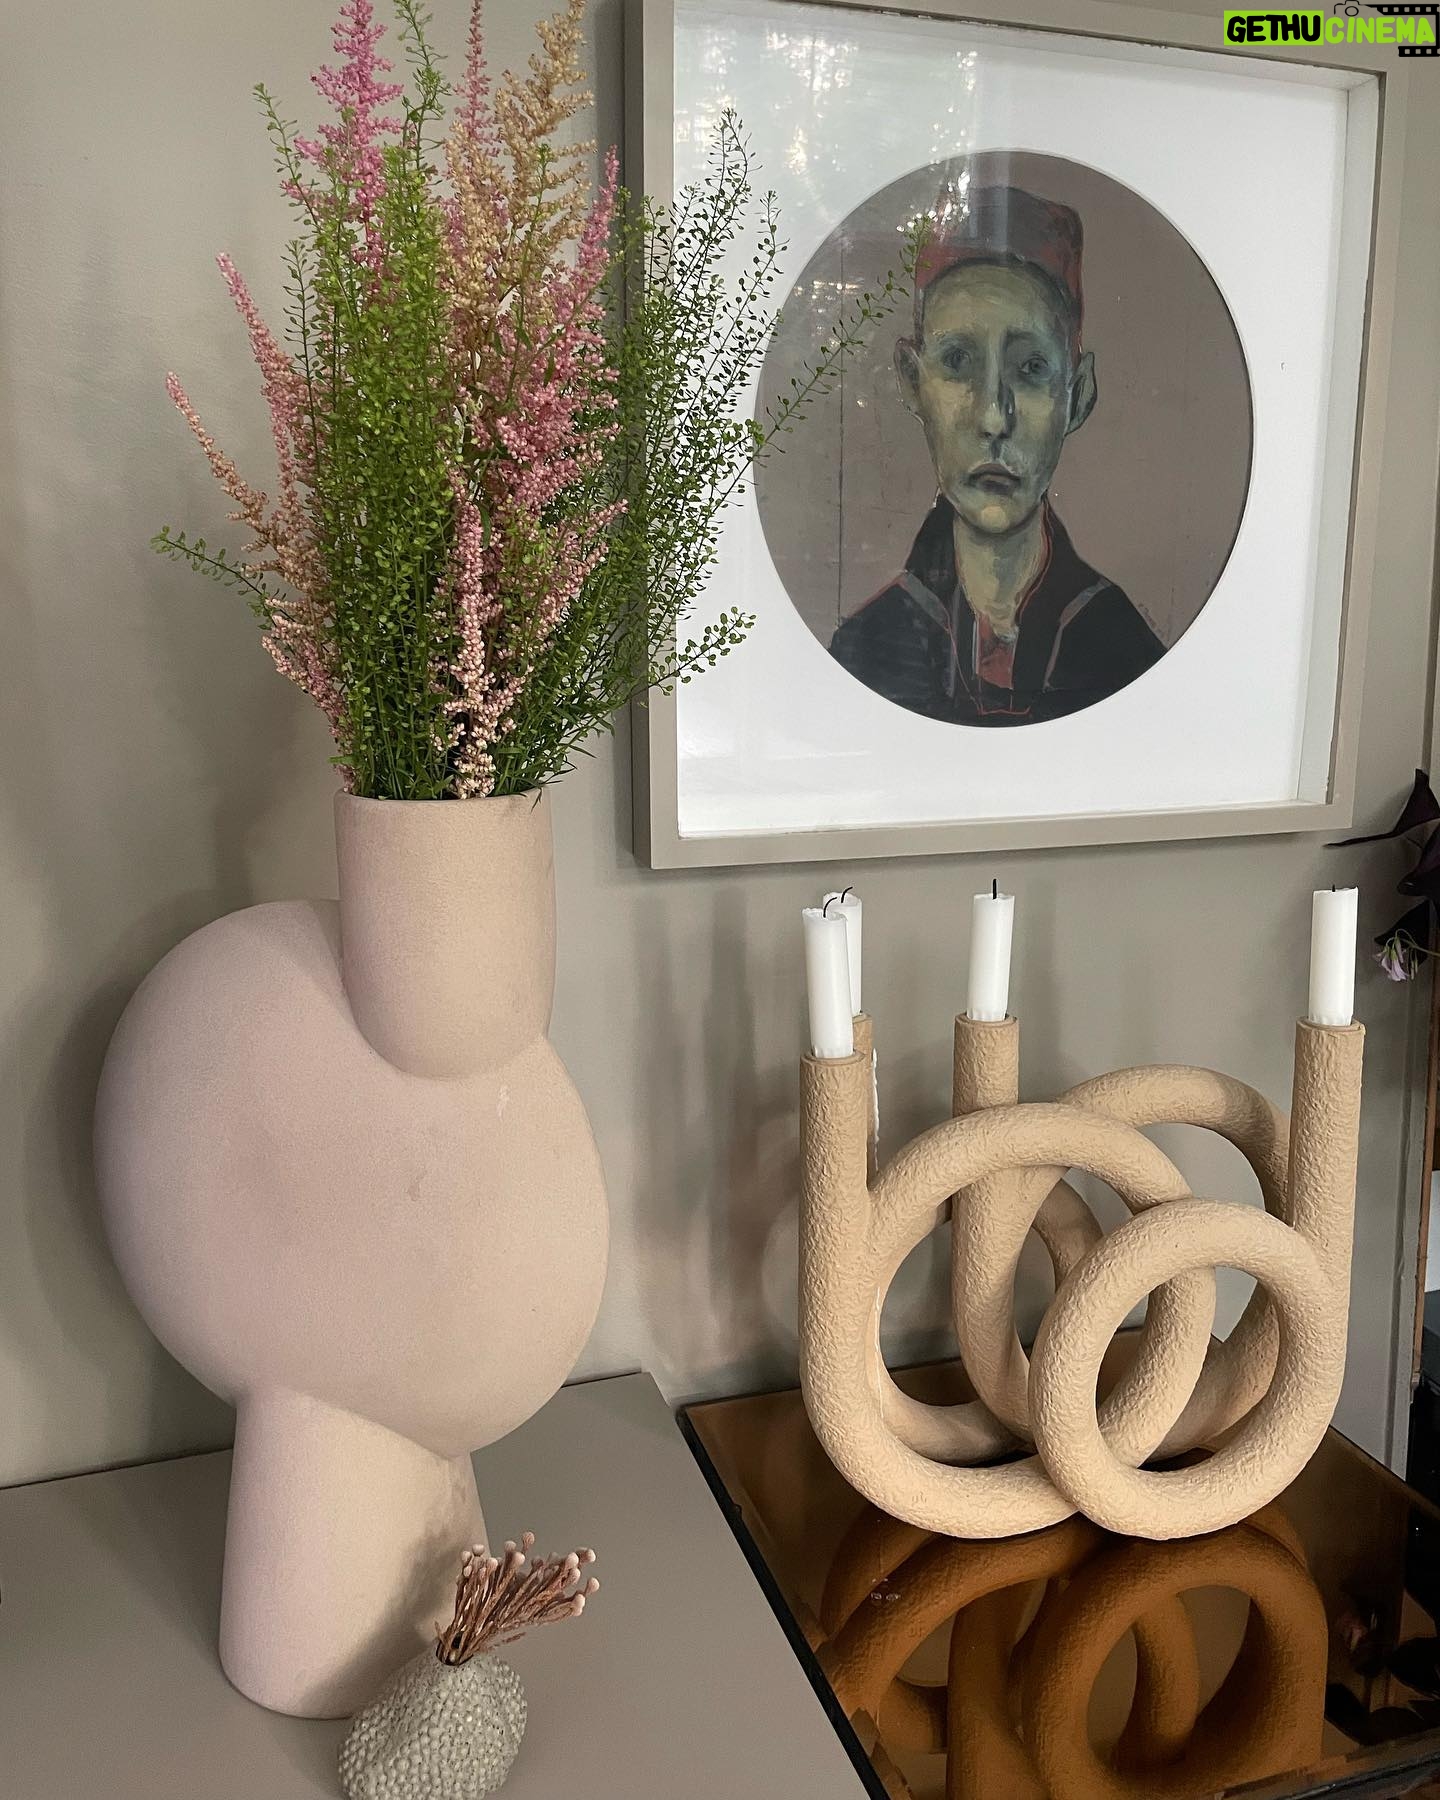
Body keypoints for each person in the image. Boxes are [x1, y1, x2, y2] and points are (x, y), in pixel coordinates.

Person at [829, 183, 1162, 726]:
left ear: (1078, 396)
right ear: (912, 381)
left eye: (1031, 368)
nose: (993, 417)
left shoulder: (1126, 655)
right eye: (958, 361)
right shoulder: (868, 649)